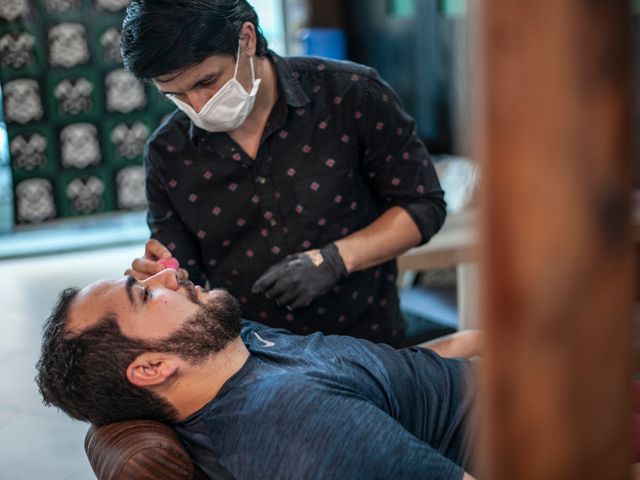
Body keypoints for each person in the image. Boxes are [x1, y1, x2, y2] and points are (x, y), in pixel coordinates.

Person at [120, 0, 447, 346]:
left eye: (207, 81)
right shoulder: (167, 153)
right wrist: (163, 276)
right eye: (176, 95)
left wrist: (337, 259)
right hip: (251, 358)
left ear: (245, 39)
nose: (198, 106)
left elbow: (422, 204)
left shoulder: (350, 95)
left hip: (367, 342)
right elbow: (183, 272)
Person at [36, 269, 477, 480]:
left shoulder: (233, 351)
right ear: (152, 367)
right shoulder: (299, 425)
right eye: (146, 294)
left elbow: (387, 377)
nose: (169, 275)